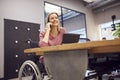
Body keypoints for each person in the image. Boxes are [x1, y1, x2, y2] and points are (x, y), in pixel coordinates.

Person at [37, 12, 66, 78]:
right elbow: (43, 47)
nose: (55, 19)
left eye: (56, 18)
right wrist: (48, 30)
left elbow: (66, 43)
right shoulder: (43, 33)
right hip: (47, 57)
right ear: (48, 22)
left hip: (61, 56)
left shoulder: (62, 31)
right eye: (52, 18)